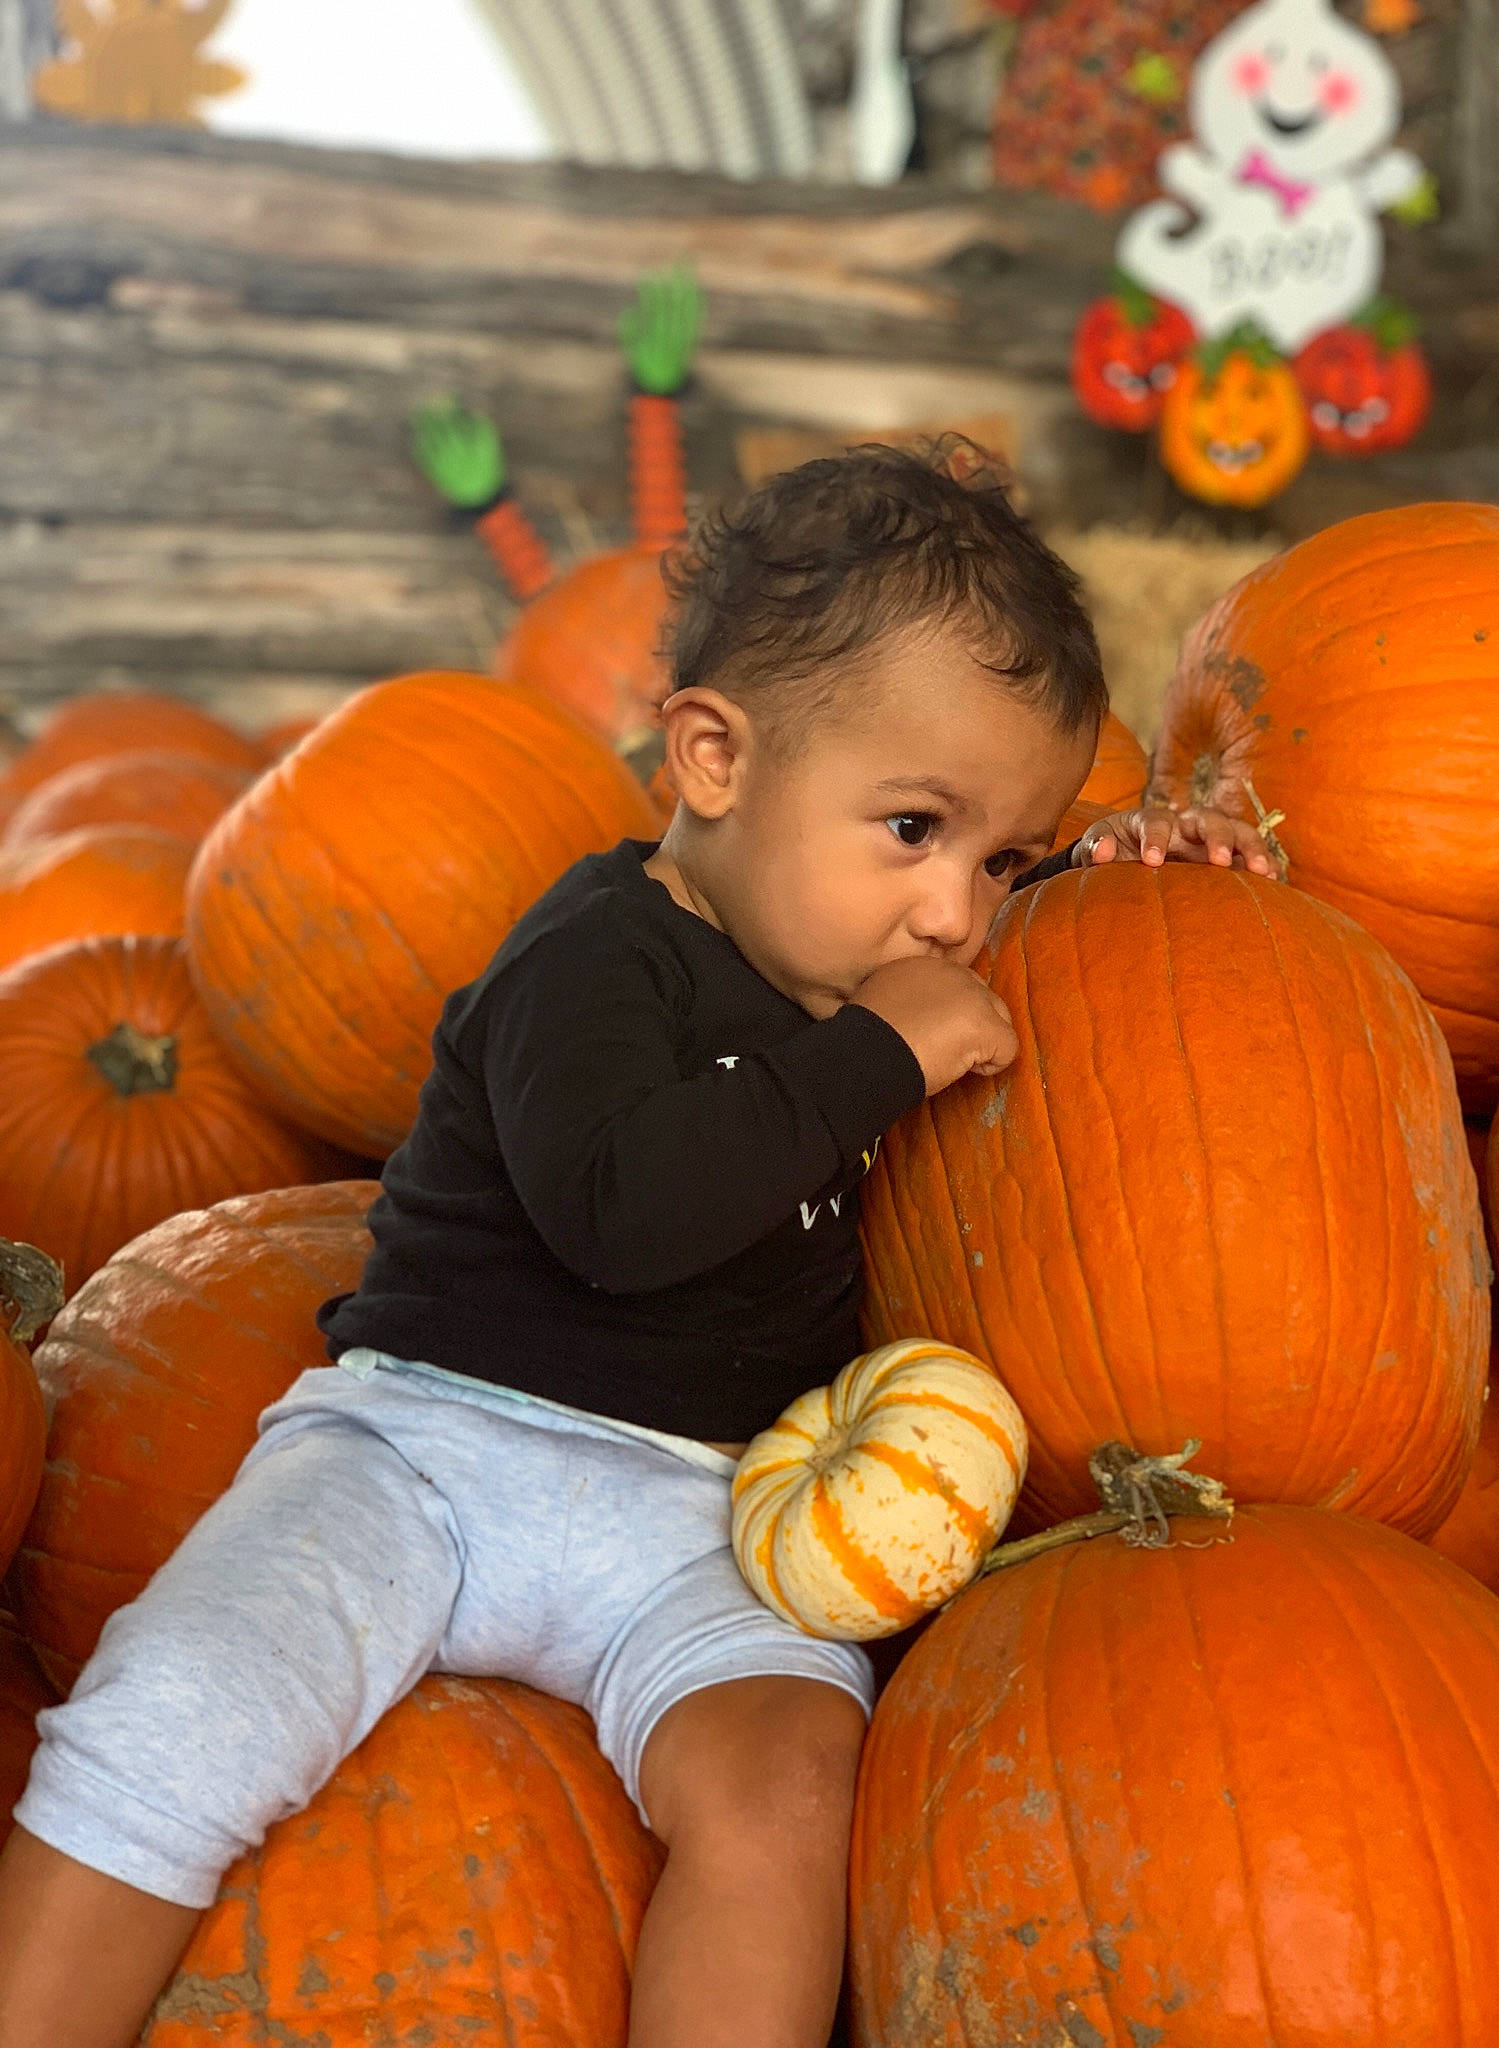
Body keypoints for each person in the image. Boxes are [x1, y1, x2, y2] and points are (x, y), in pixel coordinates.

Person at [0, 443, 1275, 2048]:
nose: (958, 915)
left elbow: (1093, 980)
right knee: (178, 1711)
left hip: (699, 1513)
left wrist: (1132, 872)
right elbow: (624, 1214)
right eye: (913, 828)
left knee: (789, 1782)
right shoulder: (594, 958)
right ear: (714, 760)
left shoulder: (863, 946)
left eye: (1003, 860)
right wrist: (875, 1058)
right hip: (427, 1453)